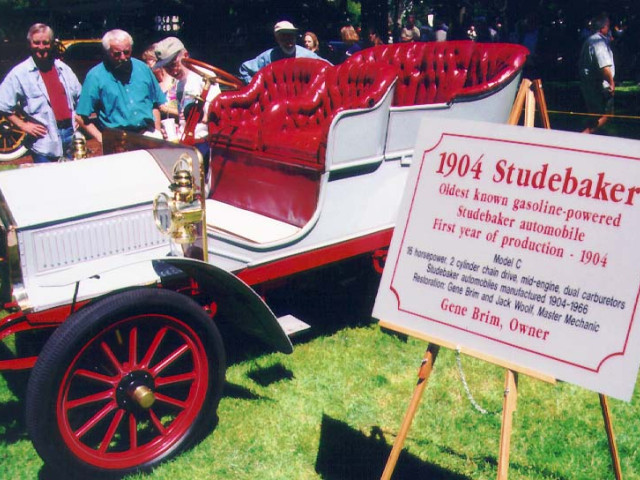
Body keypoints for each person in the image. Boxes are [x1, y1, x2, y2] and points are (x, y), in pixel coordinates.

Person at [0, 23, 82, 162]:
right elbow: (2, 104)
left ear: (51, 44)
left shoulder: (63, 69)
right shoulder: (19, 73)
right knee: (46, 182)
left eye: (46, 43)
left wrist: (78, 115)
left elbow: (80, 96)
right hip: (43, 141)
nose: (42, 47)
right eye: (36, 43)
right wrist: (23, 125)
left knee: (71, 181)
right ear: (29, 44)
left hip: (70, 135)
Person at [76, 29, 165, 142]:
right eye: (117, 54)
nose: (123, 57)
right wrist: (101, 138)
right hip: (117, 139)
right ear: (107, 53)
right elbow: (80, 116)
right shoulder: (95, 76)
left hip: (147, 134)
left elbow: (155, 104)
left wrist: (156, 131)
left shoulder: (143, 69)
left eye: (126, 52)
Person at [153, 36, 221, 140]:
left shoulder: (204, 75)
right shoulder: (179, 82)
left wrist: (200, 117)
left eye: (174, 65)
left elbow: (218, 111)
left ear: (186, 56)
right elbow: (182, 116)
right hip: (184, 138)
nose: (173, 71)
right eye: (167, 68)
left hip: (204, 138)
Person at [239, 20, 325, 84]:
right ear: (277, 39)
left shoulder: (307, 55)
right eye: (284, 36)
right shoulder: (268, 57)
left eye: (291, 35)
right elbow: (244, 69)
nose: (289, 40)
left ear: (295, 37)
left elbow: (330, 69)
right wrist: (256, 87)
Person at [578, 13, 615, 134]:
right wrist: (611, 82)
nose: (609, 28)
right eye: (608, 26)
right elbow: (604, 66)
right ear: (603, 27)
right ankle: (580, 138)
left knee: (595, 115)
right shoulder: (598, 43)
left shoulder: (590, 40)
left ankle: (588, 140)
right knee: (604, 115)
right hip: (598, 86)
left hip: (589, 84)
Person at [142, 44, 177, 119]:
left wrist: (165, 109)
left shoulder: (176, 80)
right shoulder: (152, 84)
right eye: (146, 61)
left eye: (150, 59)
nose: (147, 65)